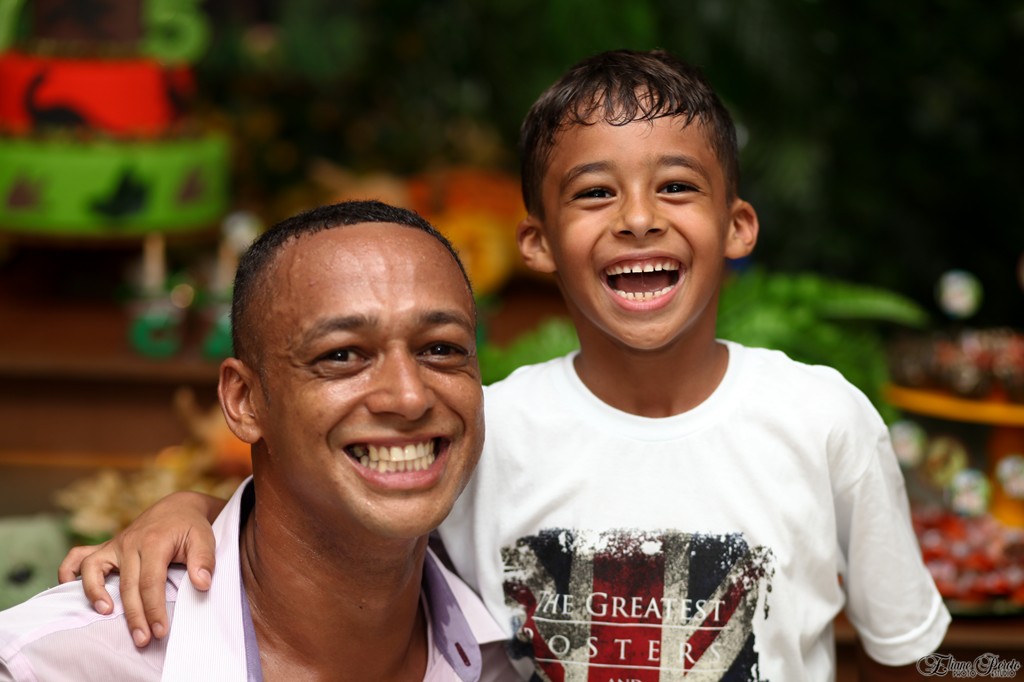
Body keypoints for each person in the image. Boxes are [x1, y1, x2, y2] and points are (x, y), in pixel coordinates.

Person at [60, 50, 950, 680]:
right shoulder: (479, 428)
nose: (639, 218)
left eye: (676, 186)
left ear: (738, 227)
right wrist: (188, 511)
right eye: (595, 193)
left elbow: (903, 653)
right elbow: (322, 522)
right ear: (537, 243)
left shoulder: (823, 420)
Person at [0, 200, 520, 681]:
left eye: (441, 349)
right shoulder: (55, 665)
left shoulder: (516, 650)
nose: (409, 397)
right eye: (341, 355)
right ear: (244, 400)